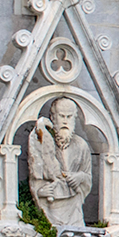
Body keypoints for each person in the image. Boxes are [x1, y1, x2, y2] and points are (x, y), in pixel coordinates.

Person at [29, 97, 93, 228]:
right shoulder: (44, 142)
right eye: (61, 116)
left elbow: (88, 177)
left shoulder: (81, 145)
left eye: (69, 117)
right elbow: (35, 173)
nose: (65, 121)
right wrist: (40, 192)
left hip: (74, 208)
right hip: (50, 207)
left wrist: (79, 177)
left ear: (75, 119)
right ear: (53, 118)